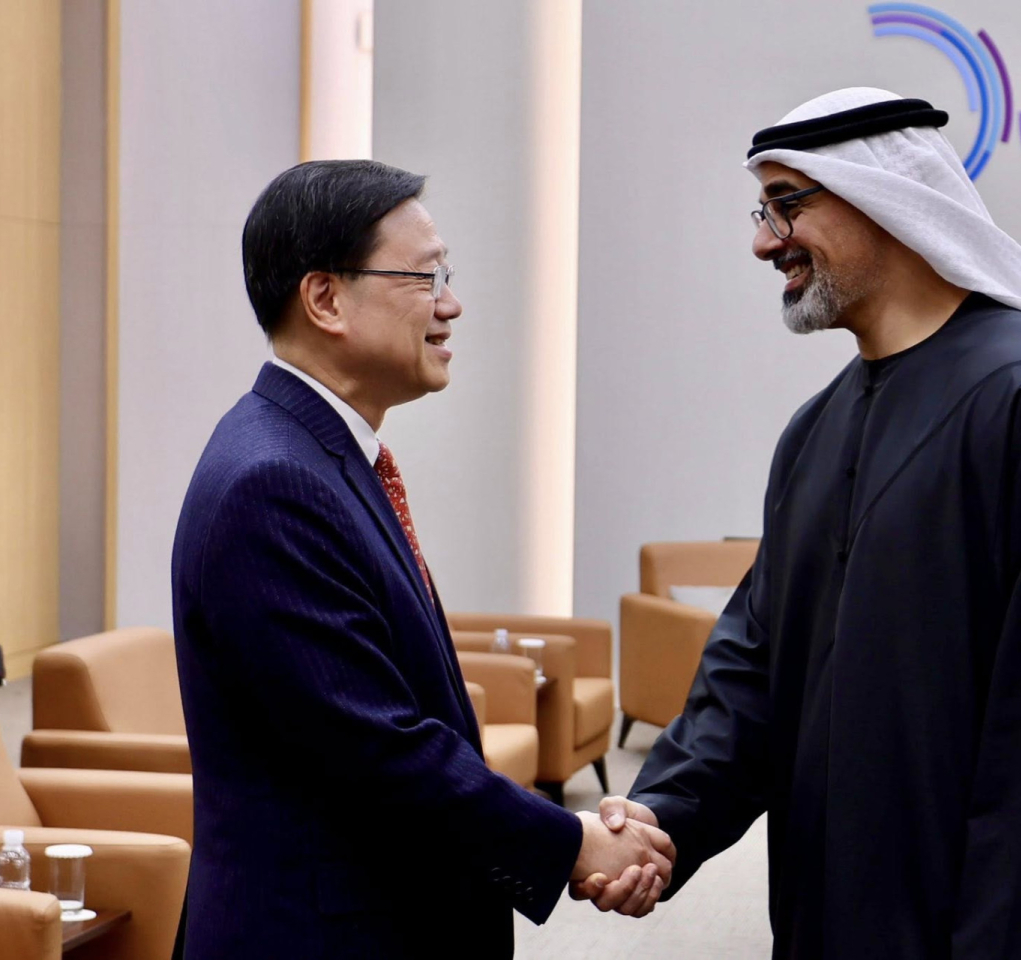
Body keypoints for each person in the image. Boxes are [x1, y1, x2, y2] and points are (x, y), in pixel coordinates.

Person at [580, 88, 1021, 959]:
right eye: (762, 209)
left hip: (992, 925)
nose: (765, 241)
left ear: (888, 200)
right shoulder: (816, 428)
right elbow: (754, 667)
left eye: (787, 205)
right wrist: (663, 817)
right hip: (831, 914)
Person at [170, 160, 673, 959]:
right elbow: (377, 747)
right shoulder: (273, 482)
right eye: (425, 275)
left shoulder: (321, 456)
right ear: (325, 297)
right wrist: (572, 844)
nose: (452, 303)